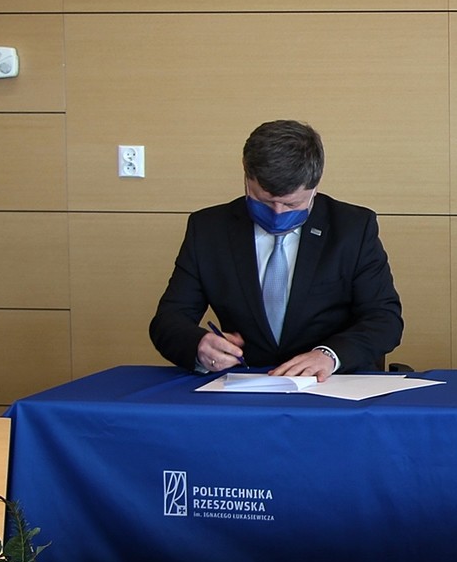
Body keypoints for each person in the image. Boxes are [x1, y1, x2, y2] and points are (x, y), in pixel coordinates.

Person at [149, 120, 403, 380]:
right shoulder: (208, 229)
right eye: (264, 201)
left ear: (315, 186)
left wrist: (329, 356)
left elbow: (384, 319)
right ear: (246, 175)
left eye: (291, 204)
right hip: (246, 383)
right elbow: (169, 320)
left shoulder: (353, 228)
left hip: (331, 384)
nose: (277, 213)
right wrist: (199, 345)